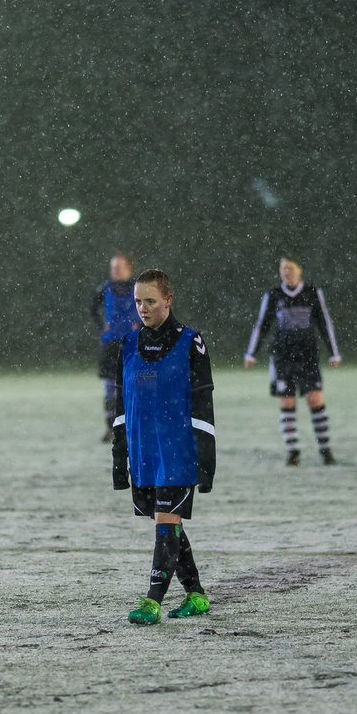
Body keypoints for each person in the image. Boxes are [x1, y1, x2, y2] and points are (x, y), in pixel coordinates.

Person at [111, 269, 215, 625]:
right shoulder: (127, 344)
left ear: (168, 301)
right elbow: (121, 404)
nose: (143, 307)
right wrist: (118, 456)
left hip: (178, 451)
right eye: (138, 301)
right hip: (144, 454)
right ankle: (197, 595)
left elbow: (203, 402)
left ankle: (152, 600)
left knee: (166, 522)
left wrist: (206, 457)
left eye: (151, 301)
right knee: (168, 524)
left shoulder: (191, 342)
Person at [244, 255, 342, 466]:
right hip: (282, 357)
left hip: (308, 356)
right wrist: (251, 353)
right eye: (282, 268)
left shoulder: (313, 293)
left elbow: (325, 323)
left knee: (315, 399)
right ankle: (293, 452)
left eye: (290, 267)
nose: (286, 272)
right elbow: (262, 324)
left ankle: (325, 451)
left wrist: (334, 352)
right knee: (287, 401)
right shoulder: (273, 295)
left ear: (300, 269)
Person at [90, 253, 140, 441]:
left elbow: (156, 309)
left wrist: (141, 325)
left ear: (129, 268)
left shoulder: (139, 288)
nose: (115, 271)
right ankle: (111, 428)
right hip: (110, 344)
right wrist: (101, 325)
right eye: (113, 267)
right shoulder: (105, 288)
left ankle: (133, 427)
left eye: (119, 267)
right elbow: (92, 309)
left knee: (133, 386)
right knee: (110, 387)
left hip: (133, 344)